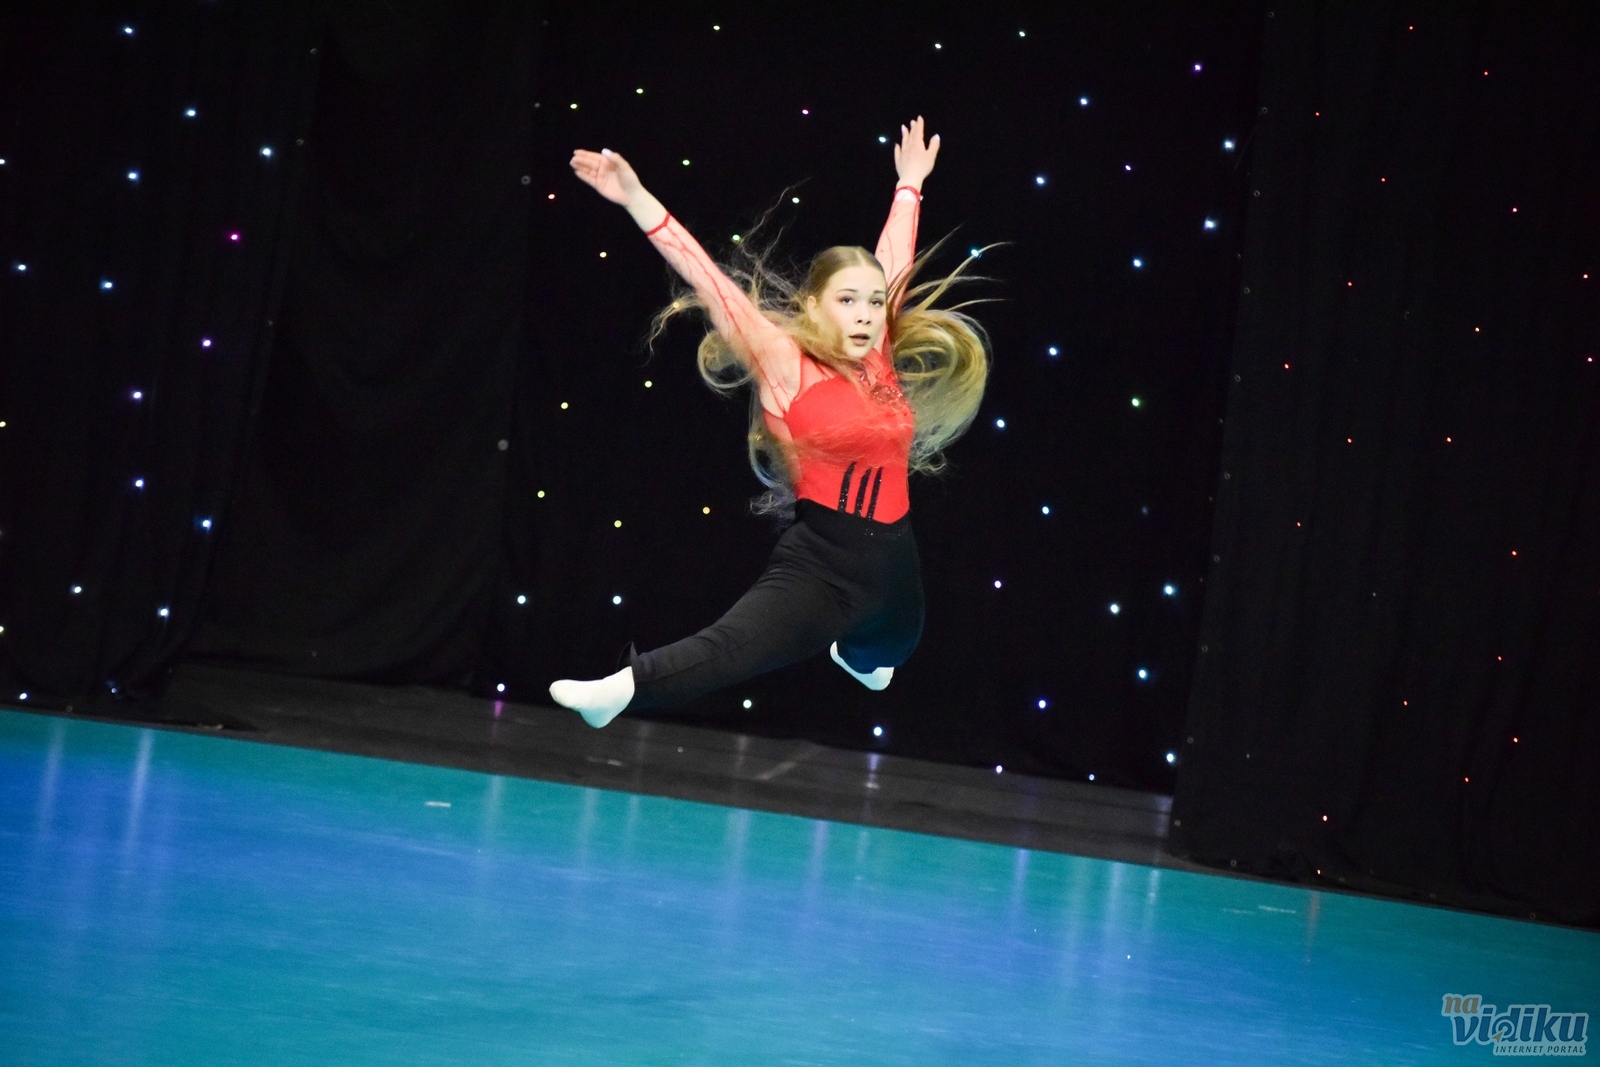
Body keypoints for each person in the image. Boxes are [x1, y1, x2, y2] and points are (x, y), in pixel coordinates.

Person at [552, 117, 990, 728]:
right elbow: (710, 282)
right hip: (823, 563)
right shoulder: (784, 363)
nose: (866, 315)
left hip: (896, 561)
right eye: (847, 301)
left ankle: (859, 658)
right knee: (731, 648)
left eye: (873, 302)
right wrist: (636, 197)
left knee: (892, 651)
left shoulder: (879, 350)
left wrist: (910, 183)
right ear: (813, 306)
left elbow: (895, 256)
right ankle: (620, 689)